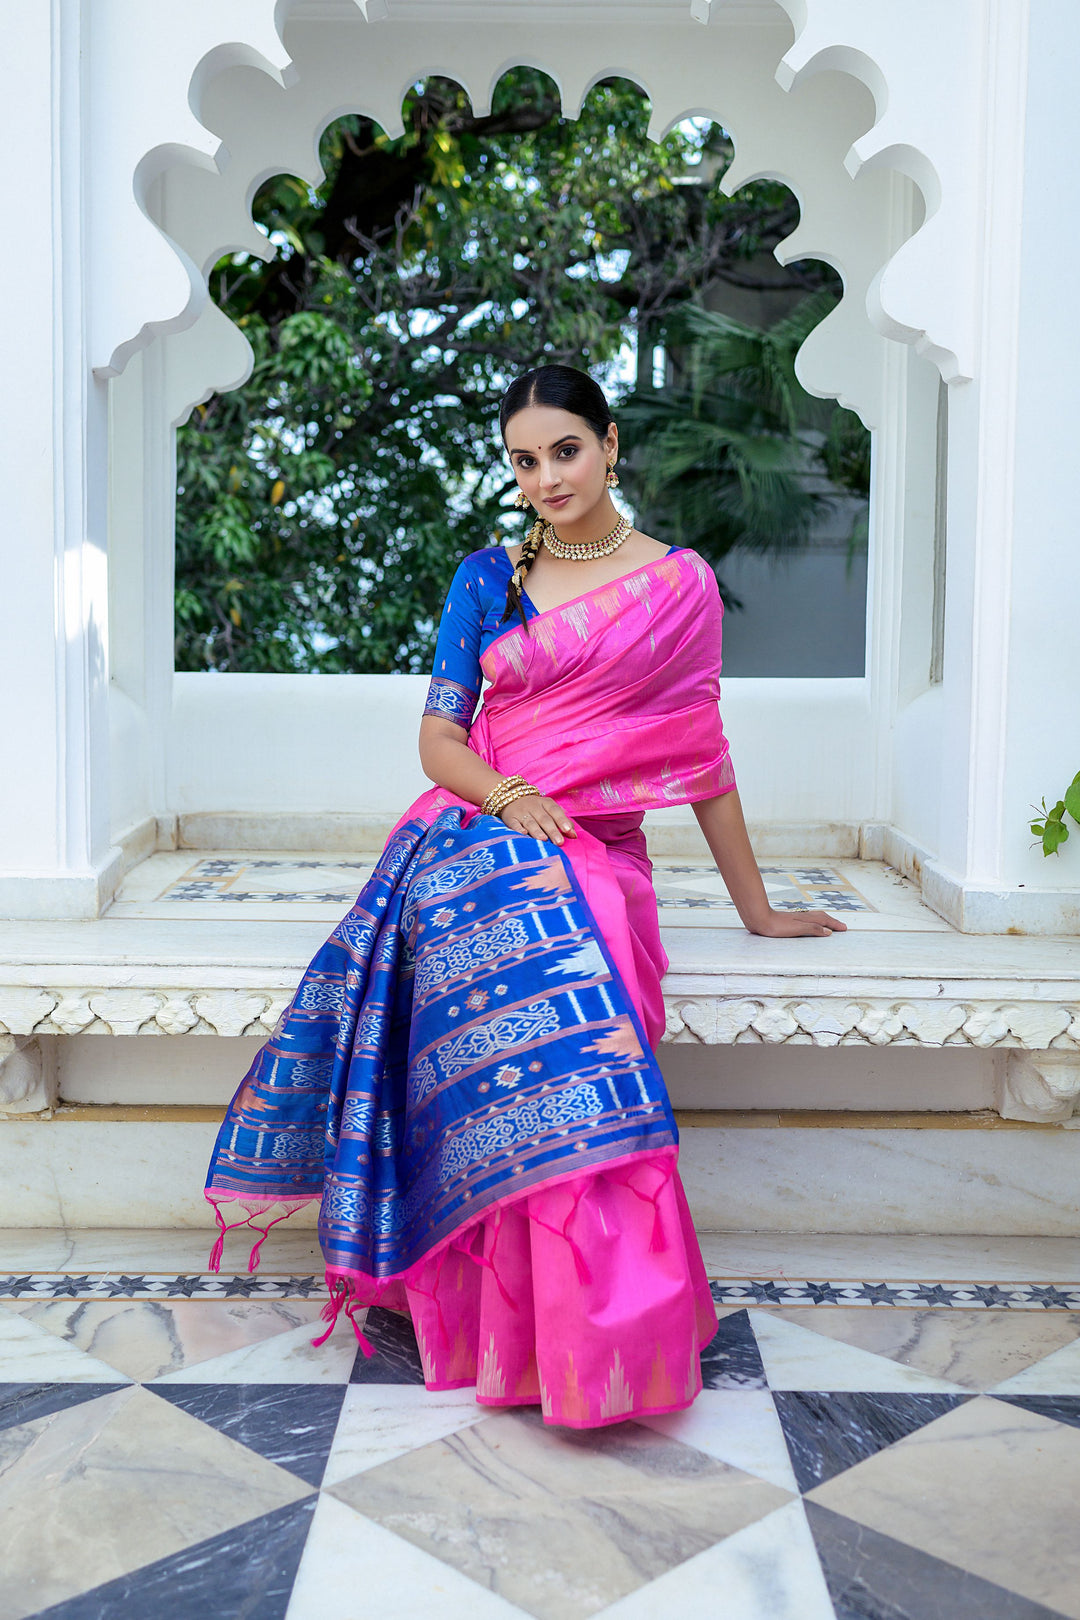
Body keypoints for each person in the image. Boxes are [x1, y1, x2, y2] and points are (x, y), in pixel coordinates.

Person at [204, 364, 845, 1428]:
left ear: (609, 444)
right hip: (477, 824)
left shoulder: (676, 586)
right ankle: (494, 1304)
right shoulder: (488, 577)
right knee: (491, 927)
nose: (545, 476)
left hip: (600, 845)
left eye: (565, 451)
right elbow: (438, 739)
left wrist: (760, 910)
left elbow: (702, 755)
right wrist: (507, 798)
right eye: (523, 459)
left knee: (576, 935)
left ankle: (595, 1326)